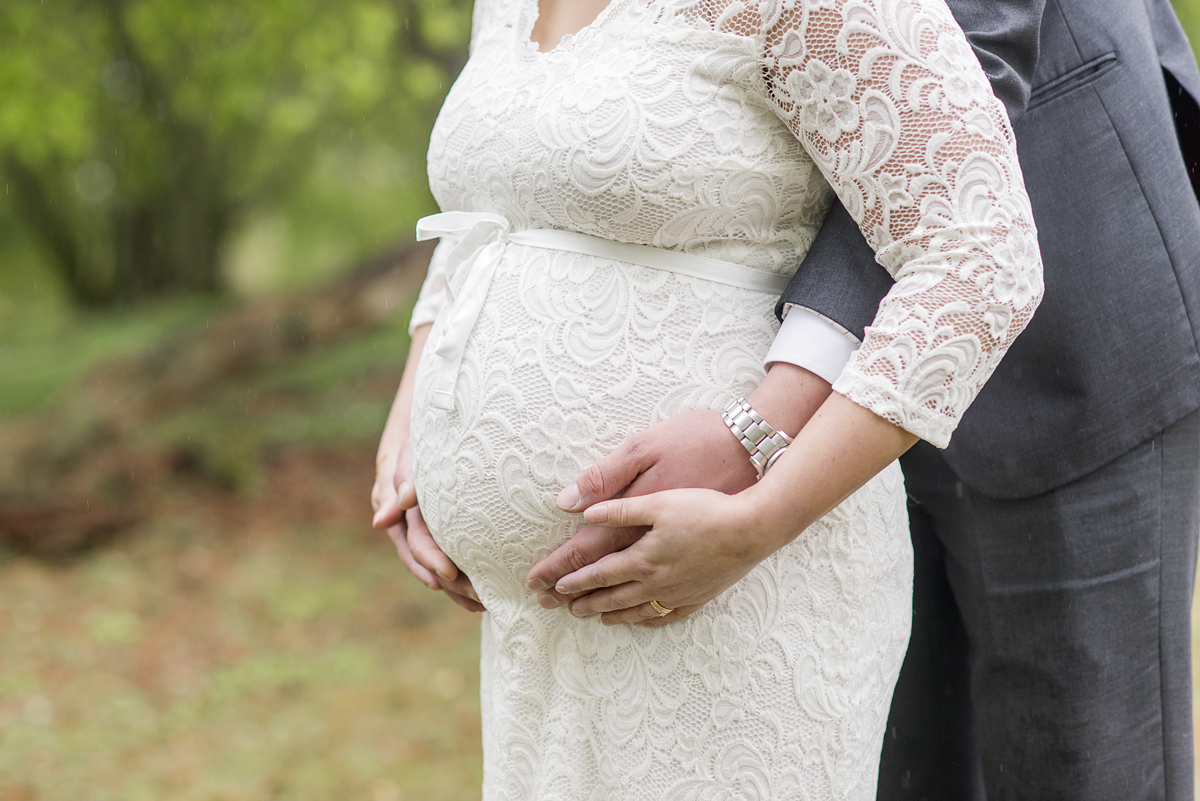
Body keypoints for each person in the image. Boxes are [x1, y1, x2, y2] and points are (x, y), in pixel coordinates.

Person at [506, 0, 1199, 798]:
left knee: (1080, 767)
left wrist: (768, 419)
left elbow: (972, 49)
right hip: (831, 385)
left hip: (1070, 321)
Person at [371, 0, 1044, 796]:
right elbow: (487, 213)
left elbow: (979, 251)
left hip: (737, 594)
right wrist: (410, 414)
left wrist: (761, 519)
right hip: (535, 636)